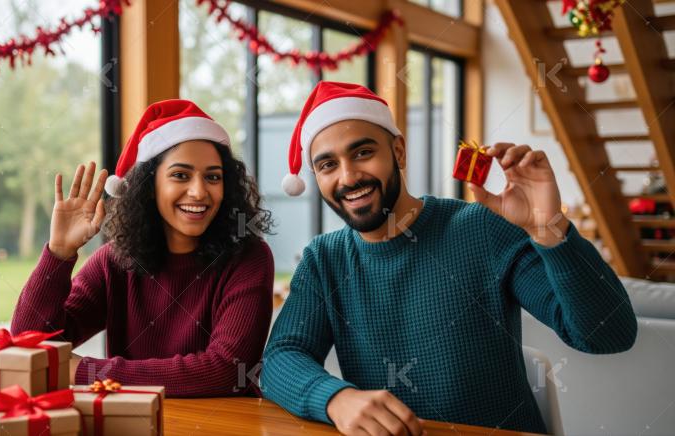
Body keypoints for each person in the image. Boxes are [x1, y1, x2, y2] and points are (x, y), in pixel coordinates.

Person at [261, 81, 636, 435]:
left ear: (398, 151)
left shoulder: (482, 228)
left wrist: (549, 229)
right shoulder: (324, 259)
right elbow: (280, 358)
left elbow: (608, 335)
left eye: (363, 152)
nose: (348, 177)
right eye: (328, 165)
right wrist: (335, 399)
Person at [12, 99, 275, 396]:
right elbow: (27, 343)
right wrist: (58, 253)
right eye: (180, 175)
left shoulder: (249, 257)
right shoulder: (114, 261)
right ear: (150, 186)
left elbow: (227, 369)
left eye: (213, 177)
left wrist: (81, 370)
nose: (199, 191)